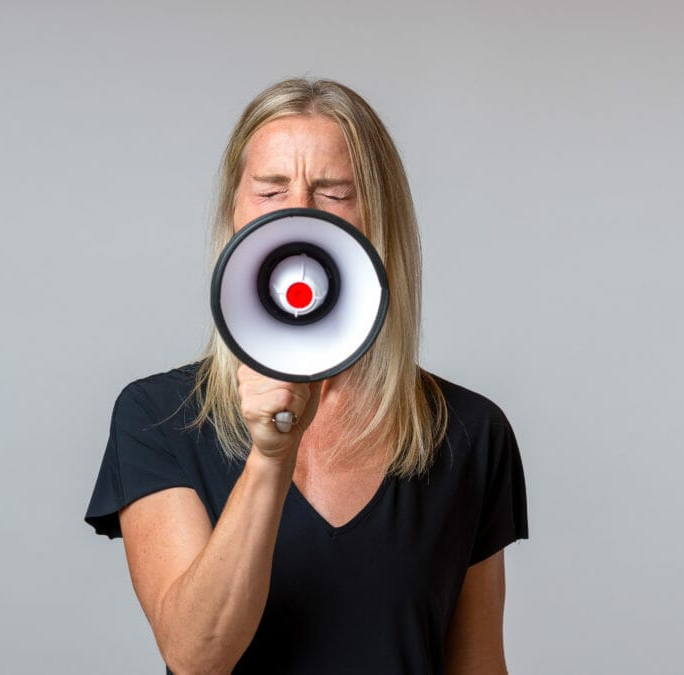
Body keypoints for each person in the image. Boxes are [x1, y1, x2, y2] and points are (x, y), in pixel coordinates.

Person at [84, 78, 528, 674]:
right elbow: (197, 656)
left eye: (334, 193)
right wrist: (271, 456)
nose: (298, 212)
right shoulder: (158, 418)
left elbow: (478, 663)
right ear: (234, 213)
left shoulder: (469, 432)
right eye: (270, 190)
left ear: (379, 219)